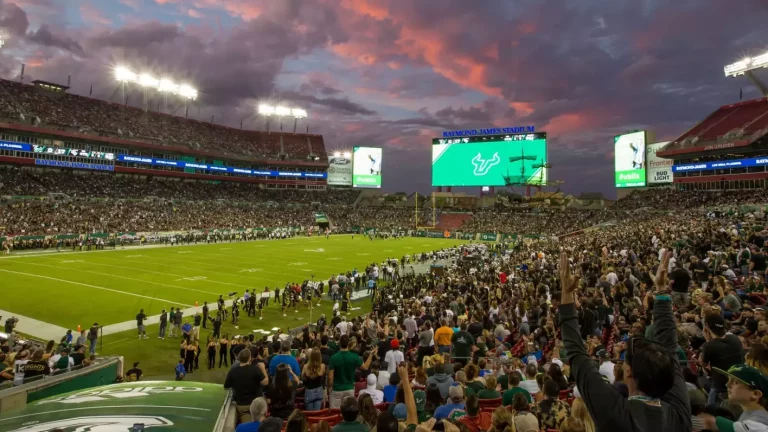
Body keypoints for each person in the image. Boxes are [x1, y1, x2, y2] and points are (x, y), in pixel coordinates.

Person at [557, 251, 691, 431]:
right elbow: (668, 344)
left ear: (629, 372)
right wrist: (661, 291)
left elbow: (577, 354)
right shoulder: (679, 414)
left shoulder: (615, 413)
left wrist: (566, 294)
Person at [697, 364, 768, 431]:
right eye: (729, 380)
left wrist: (714, 422)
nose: (727, 384)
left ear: (755, 394)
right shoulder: (750, 413)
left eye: (735, 382)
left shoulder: (759, 420)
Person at [700, 313, 745, 405]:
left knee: (711, 410)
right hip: (739, 381)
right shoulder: (734, 338)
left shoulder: (709, 346)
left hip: (721, 385)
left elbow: (703, 363)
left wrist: (708, 341)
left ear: (707, 326)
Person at [328, 335, 374, 408]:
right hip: (349, 389)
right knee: (349, 413)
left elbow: (330, 378)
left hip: (337, 390)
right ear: (348, 343)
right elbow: (365, 367)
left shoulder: (333, 358)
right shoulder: (354, 356)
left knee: (335, 413)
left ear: (340, 343)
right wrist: (371, 355)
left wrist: (329, 388)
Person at [224, 349, 269, 424]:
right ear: (249, 358)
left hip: (242, 406)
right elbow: (265, 382)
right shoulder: (254, 369)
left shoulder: (233, 371)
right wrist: (263, 369)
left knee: (247, 425)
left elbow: (226, 386)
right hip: (256, 405)